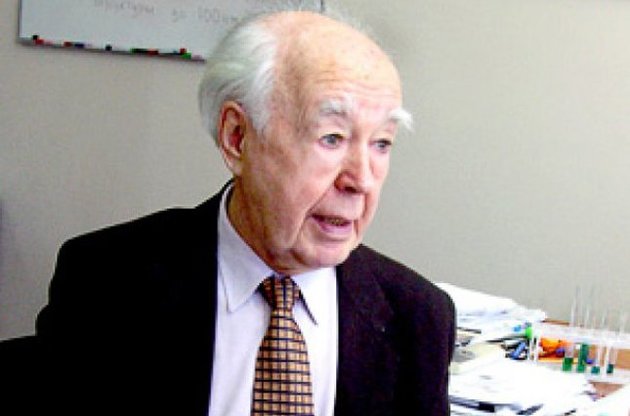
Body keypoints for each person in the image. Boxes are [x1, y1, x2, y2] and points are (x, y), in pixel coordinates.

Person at [0, 9, 455, 416]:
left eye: (381, 143)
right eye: (331, 138)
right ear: (237, 137)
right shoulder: (107, 281)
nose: (361, 179)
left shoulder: (418, 317)